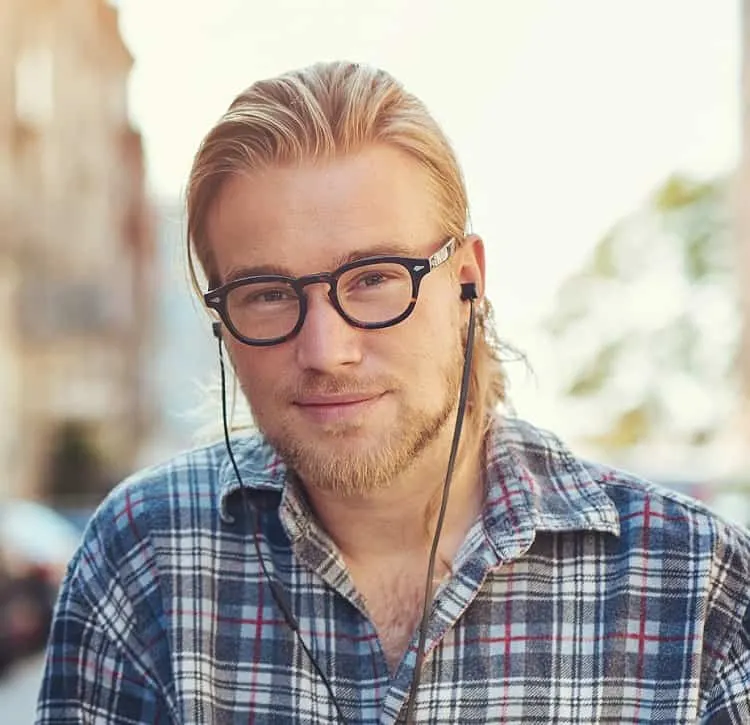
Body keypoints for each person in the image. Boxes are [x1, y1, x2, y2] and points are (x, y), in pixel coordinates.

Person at [36, 61, 750, 724]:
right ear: (220, 320)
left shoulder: (695, 584)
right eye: (267, 294)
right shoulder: (142, 558)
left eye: (374, 277)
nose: (324, 351)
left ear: (467, 282)